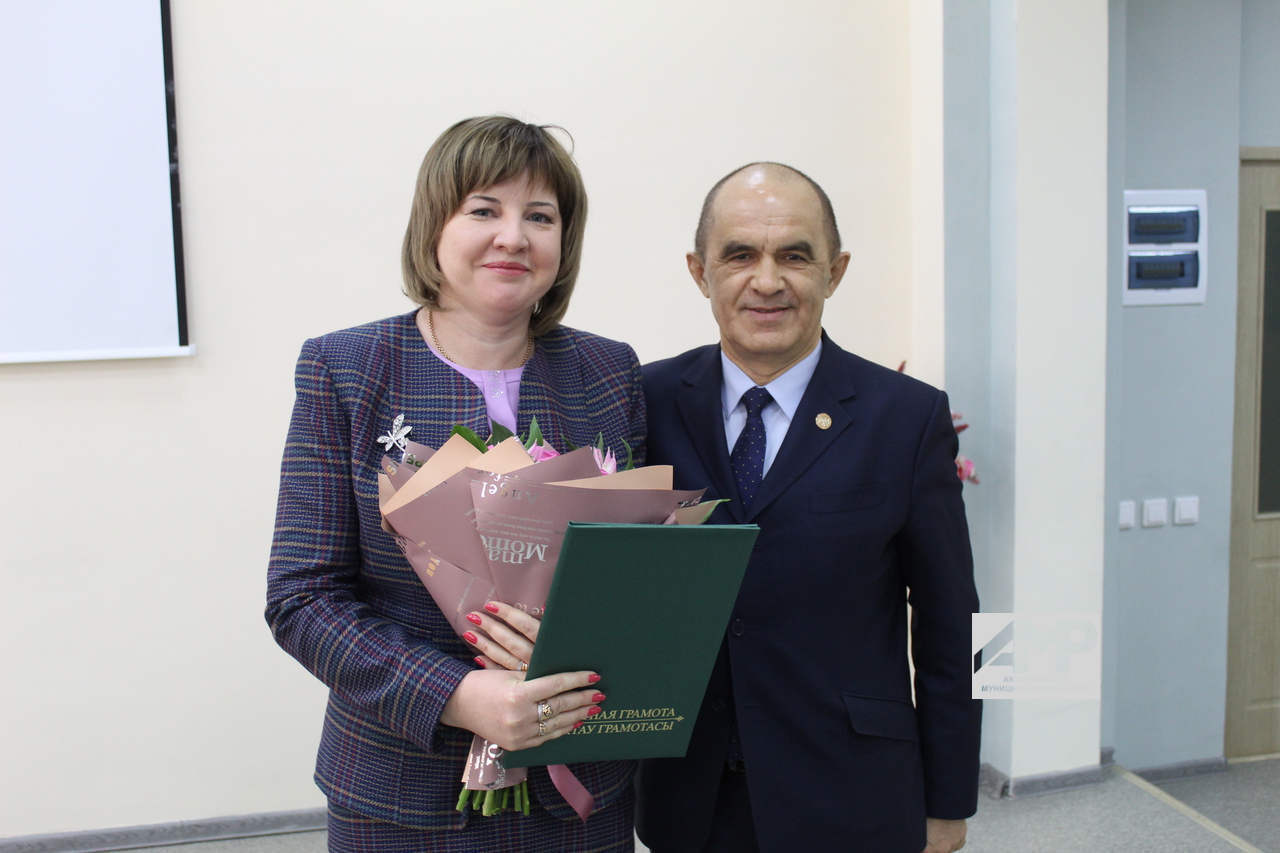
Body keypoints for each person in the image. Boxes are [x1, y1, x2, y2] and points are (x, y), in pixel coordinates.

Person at [265, 116, 644, 852]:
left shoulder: (609, 371)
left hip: (579, 788)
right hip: (401, 792)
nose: (513, 237)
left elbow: (637, 571)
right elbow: (302, 598)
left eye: (541, 217)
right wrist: (460, 694)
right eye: (484, 210)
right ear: (433, 225)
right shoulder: (345, 369)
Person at [634, 163, 981, 852]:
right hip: (690, 798)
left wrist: (949, 802)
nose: (767, 281)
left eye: (794, 256)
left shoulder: (908, 418)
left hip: (852, 794)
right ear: (700, 272)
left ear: (835, 271)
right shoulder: (646, 401)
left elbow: (956, 626)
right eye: (739, 255)